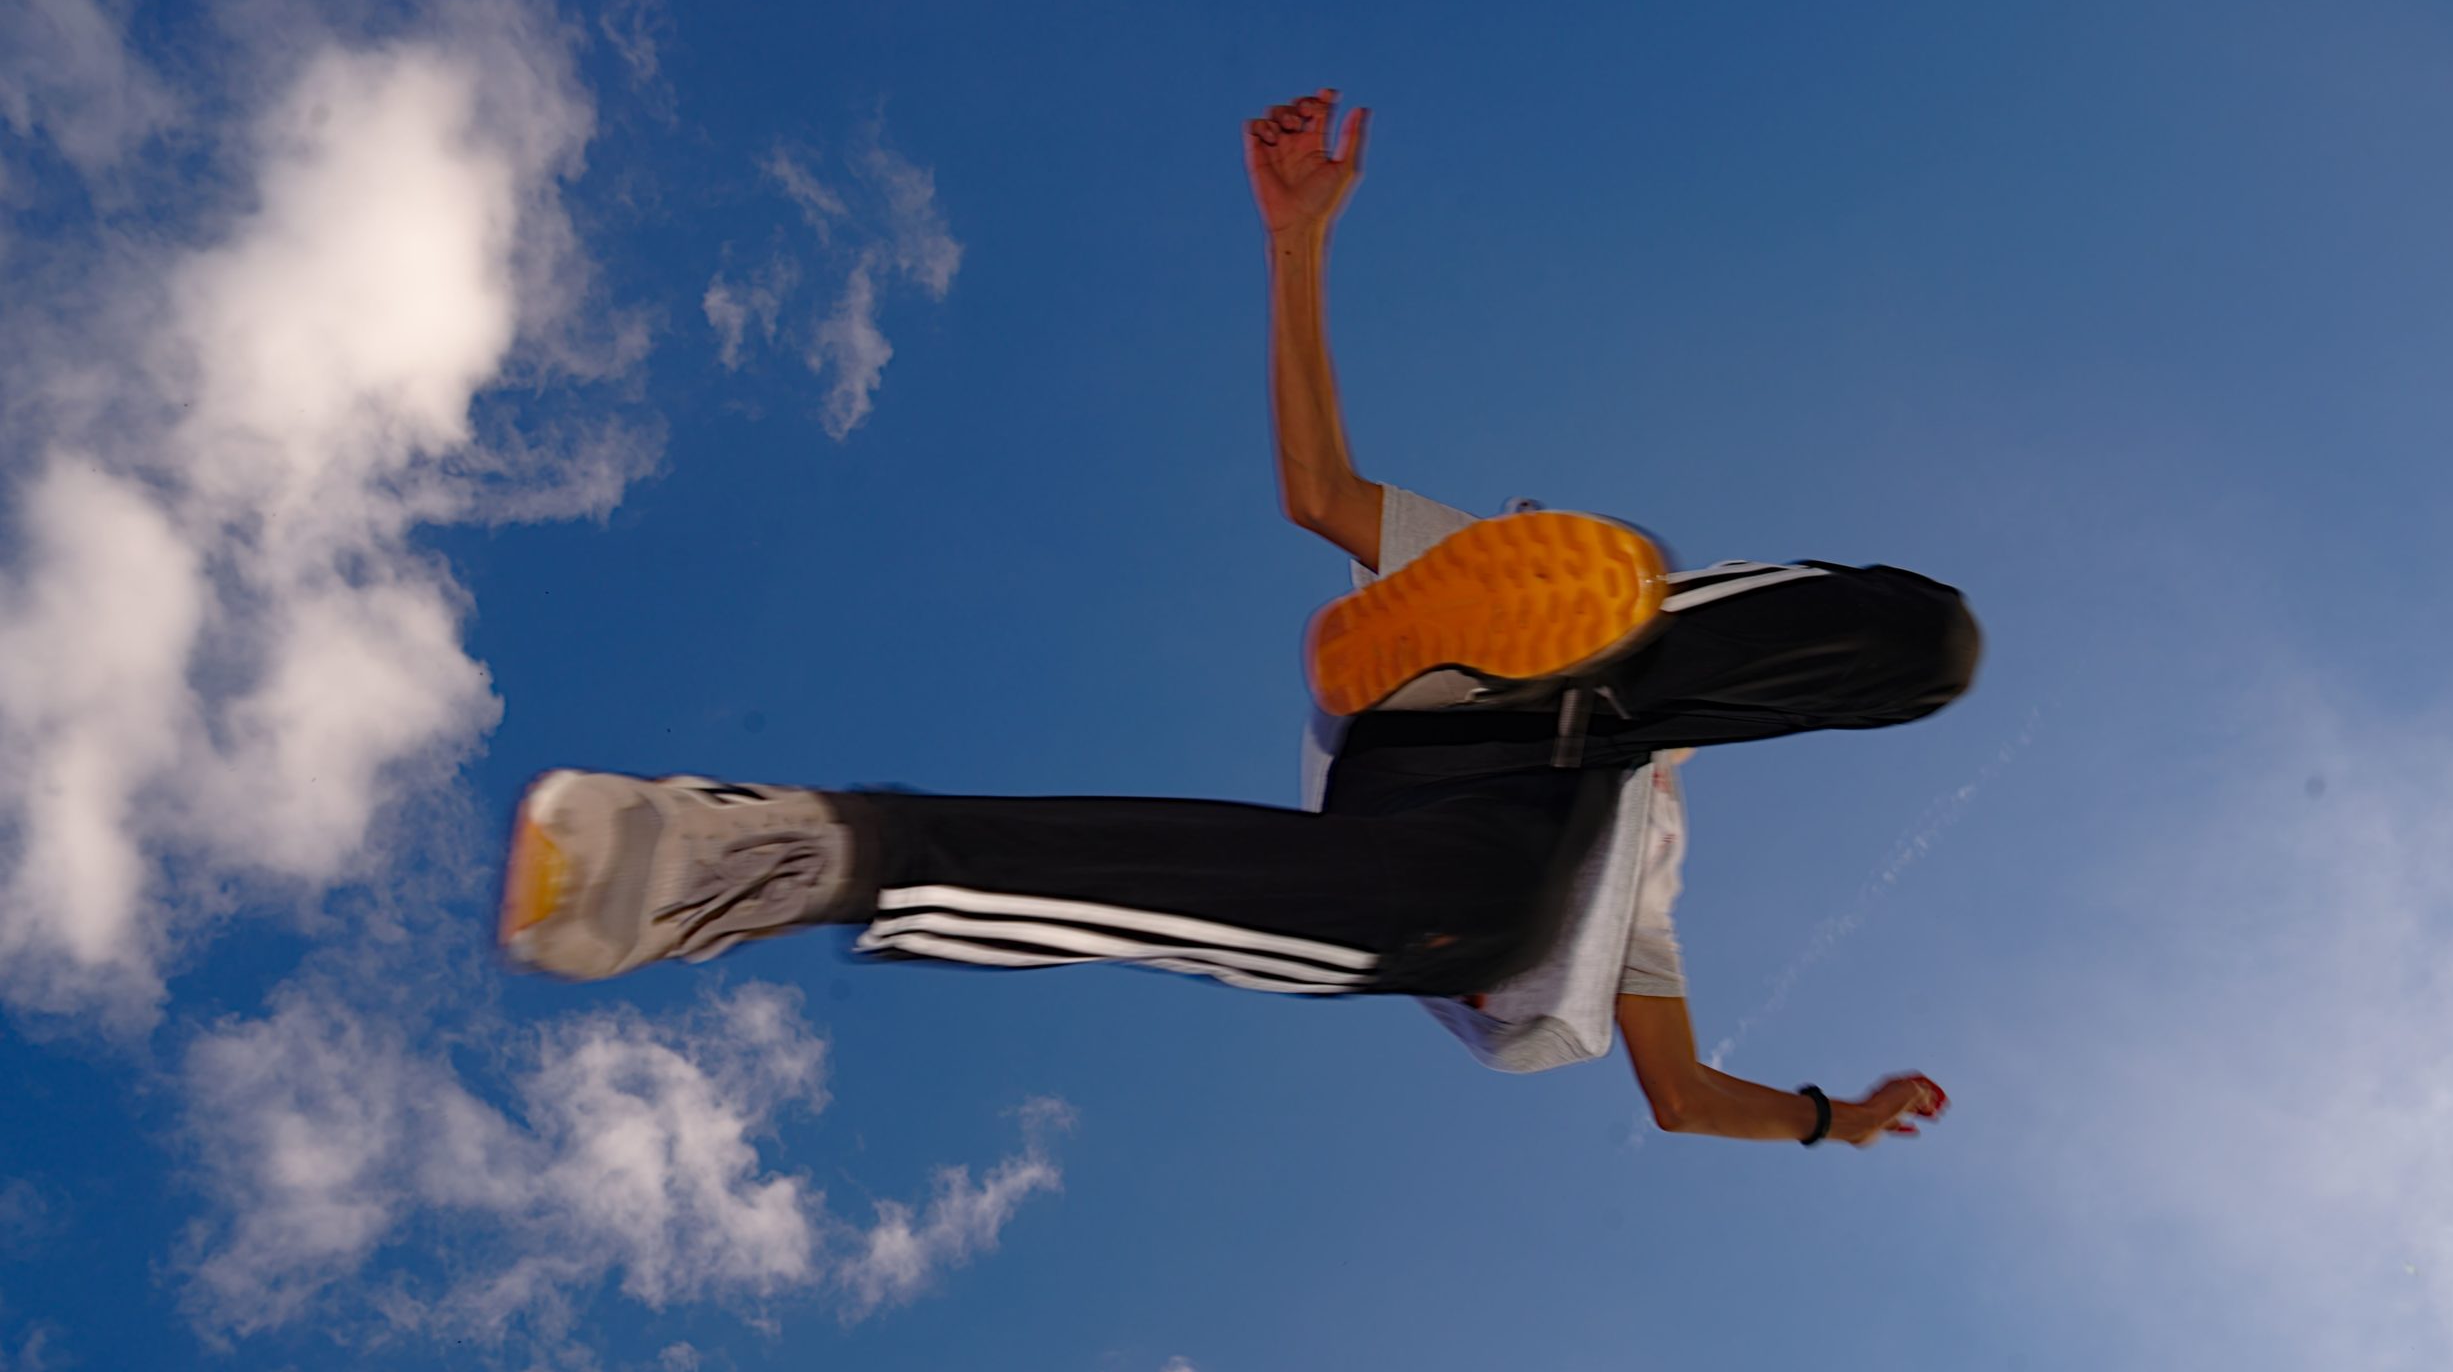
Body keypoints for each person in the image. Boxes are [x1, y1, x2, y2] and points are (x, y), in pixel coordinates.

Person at [498, 90, 1971, 1150]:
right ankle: (1567, 650)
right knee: (1602, 667)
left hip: (1456, 865)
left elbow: (1683, 1092)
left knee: (1548, 888)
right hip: (1462, 720)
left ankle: (789, 851)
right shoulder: (1557, 627)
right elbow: (1320, 489)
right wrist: (1296, 245)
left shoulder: (1641, 876)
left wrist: (1834, 1116)